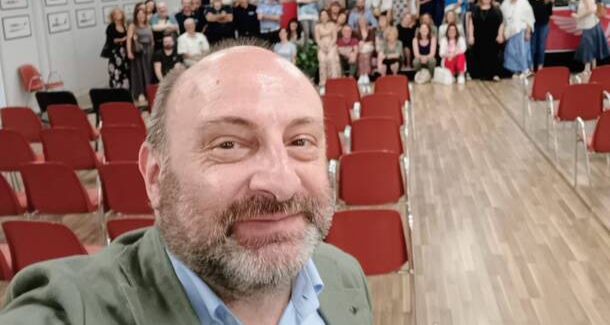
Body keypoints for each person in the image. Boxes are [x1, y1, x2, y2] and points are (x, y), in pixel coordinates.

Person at [1, 42, 373, 324]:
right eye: (228, 145)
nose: (282, 183)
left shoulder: (343, 273)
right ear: (155, 176)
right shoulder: (72, 309)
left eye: (300, 141)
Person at [572, 0, 610, 73]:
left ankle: (587, 69)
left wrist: (578, 16)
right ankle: (593, 68)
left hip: (590, 26)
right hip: (589, 25)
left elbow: (591, 9)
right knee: (592, 47)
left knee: (587, 47)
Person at [467, 0, 505, 81]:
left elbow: (501, 23)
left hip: (492, 38)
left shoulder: (496, 10)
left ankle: (494, 74)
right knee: (478, 55)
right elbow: (471, 24)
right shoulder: (475, 10)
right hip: (479, 38)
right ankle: (479, 74)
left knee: (493, 56)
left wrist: (500, 35)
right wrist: (471, 36)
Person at [500, 0, 535, 77]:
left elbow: (530, 18)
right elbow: (501, 19)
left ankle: (525, 70)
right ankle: (516, 70)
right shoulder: (505, 3)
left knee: (522, 51)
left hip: (521, 31)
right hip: (509, 32)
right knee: (511, 52)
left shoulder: (524, 2)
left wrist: (528, 32)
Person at [126, 3, 154, 101]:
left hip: (148, 51)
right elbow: (129, 40)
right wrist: (129, 52)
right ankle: (140, 93)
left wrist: (152, 48)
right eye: (139, 15)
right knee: (139, 72)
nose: (141, 16)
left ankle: (148, 92)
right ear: (136, 16)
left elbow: (151, 39)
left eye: (143, 15)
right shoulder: (132, 26)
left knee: (148, 72)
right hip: (138, 52)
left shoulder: (148, 25)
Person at [527, 0, 553, 71]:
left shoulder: (547, 0)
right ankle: (531, 66)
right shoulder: (527, 0)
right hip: (532, 26)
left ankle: (540, 66)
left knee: (541, 46)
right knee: (532, 46)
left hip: (543, 25)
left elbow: (549, 14)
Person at [105, 7, 129, 89]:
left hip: (124, 52)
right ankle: (116, 90)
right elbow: (111, 40)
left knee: (124, 71)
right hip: (115, 53)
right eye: (116, 13)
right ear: (113, 16)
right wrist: (122, 39)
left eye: (120, 13)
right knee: (116, 72)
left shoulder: (123, 25)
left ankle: (125, 90)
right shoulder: (111, 26)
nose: (119, 14)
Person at [315, 10, 341, 86]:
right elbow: (317, 39)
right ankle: (323, 81)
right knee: (322, 59)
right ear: (320, 17)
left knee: (330, 58)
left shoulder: (332, 25)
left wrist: (330, 46)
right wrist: (322, 47)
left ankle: (333, 80)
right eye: (322, 15)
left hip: (331, 44)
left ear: (328, 16)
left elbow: (334, 38)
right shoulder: (317, 26)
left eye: (325, 14)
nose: (324, 16)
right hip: (322, 45)